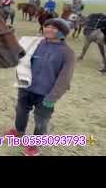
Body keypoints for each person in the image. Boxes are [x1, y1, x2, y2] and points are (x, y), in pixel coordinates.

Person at [6, 18, 75, 156]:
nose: (49, 29)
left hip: (46, 93)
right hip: (27, 87)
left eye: (54, 28)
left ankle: (35, 145)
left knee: (41, 119)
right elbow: (22, 59)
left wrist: (53, 97)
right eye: (47, 26)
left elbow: (65, 78)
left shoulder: (67, 52)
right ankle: (19, 131)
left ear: (62, 32)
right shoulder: (35, 43)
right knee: (20, 110)